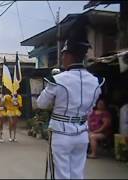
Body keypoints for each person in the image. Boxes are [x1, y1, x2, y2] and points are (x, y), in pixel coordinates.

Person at [37, 32, 104, 179]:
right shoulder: (96, 81)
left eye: (63, 55)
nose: (62, 58)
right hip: (82, 133)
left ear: (68, 55)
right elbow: (91, 107)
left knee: (61, 175)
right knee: (77, 174)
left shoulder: (58, 80)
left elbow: (41, 104)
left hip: (61, 133)